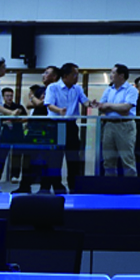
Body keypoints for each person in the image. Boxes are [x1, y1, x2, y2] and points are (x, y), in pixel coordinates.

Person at [44, 62, 96, 193]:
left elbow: (85, 101)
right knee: (55, 158)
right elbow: (49, 104)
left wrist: (92, 104)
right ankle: (57, 186)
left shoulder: (77, 88)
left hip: (71, 126)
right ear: (65, 75)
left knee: (73, 157)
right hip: (56, 125)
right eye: (74, 75)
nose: (77, 77)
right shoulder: (53, 87)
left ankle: (74, 186)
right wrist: (59, 110)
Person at [12, 66, 60, 194]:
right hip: (33, 128)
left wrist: (32, 97)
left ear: (54, 77)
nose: (43, 75)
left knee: (47, 159)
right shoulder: (40, 89)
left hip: (48, 128)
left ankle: (44, 188)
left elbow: (40, 104)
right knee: (27, 158)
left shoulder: (55, 89)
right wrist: (35, 99)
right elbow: (29, 105)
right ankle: (24, 186)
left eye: (47, 73)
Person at [97, 64, 138, 177]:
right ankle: (110, 185)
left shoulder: (131, 90)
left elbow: (126, 108)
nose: (111, 75)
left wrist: (109, 105)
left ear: (121, 75)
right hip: (109, 125)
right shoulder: (109, 89)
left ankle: (130, 186)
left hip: (125, 126)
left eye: (113, 72)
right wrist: (115, 107)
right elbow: (101, 107)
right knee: (108, 160)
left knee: (127, 159)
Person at [1, 87, 27, 182]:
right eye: (7, 96)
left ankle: (15, 176)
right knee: (2, 155)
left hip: (17, 133)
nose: (9, 98)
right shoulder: (1, 107)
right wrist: (5, 122)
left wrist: (16, 121)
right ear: (3, 97)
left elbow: (26, 118)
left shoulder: (18, 107)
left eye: (11, 96)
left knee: (17, 155)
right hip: (6, 133)